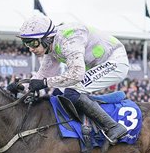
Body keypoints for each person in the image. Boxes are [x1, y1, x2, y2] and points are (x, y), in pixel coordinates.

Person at [11, 15, 129, 144]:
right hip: (98, 64)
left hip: (114, 61)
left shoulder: (69, 41)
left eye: (33, 43)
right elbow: (44, 74)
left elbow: (76, 74)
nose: (31, 48)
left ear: (47, 38)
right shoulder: (51, 46)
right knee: (58, 94)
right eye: (26, 43)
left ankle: (113, 126)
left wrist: (44, 83)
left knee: (72, 92)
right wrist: (22, 87)